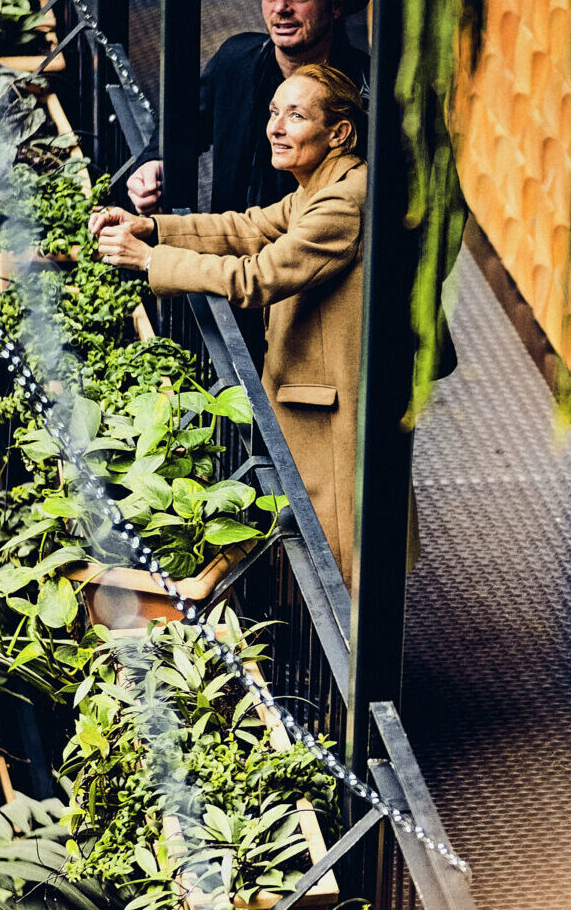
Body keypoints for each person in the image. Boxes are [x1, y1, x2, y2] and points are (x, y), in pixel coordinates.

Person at [91, 61, 371, 587]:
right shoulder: (321, 186)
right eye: (273, 112)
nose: (276, 127)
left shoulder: (343, 201)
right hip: (307, 399)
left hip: (330, 415)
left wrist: (150, 261)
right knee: (302, 543)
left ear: (339, 133)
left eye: (295, 115)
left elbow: (256, 277)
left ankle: (357, 667)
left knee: (343, 567)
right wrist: (152, 226)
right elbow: (248, 227)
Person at [125, 0, 369, 218]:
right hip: (232, 248)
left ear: (336, 5)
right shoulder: (237, 60)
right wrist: (155, 161)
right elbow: (184, 125)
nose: (281, 7)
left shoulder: (364, 89)